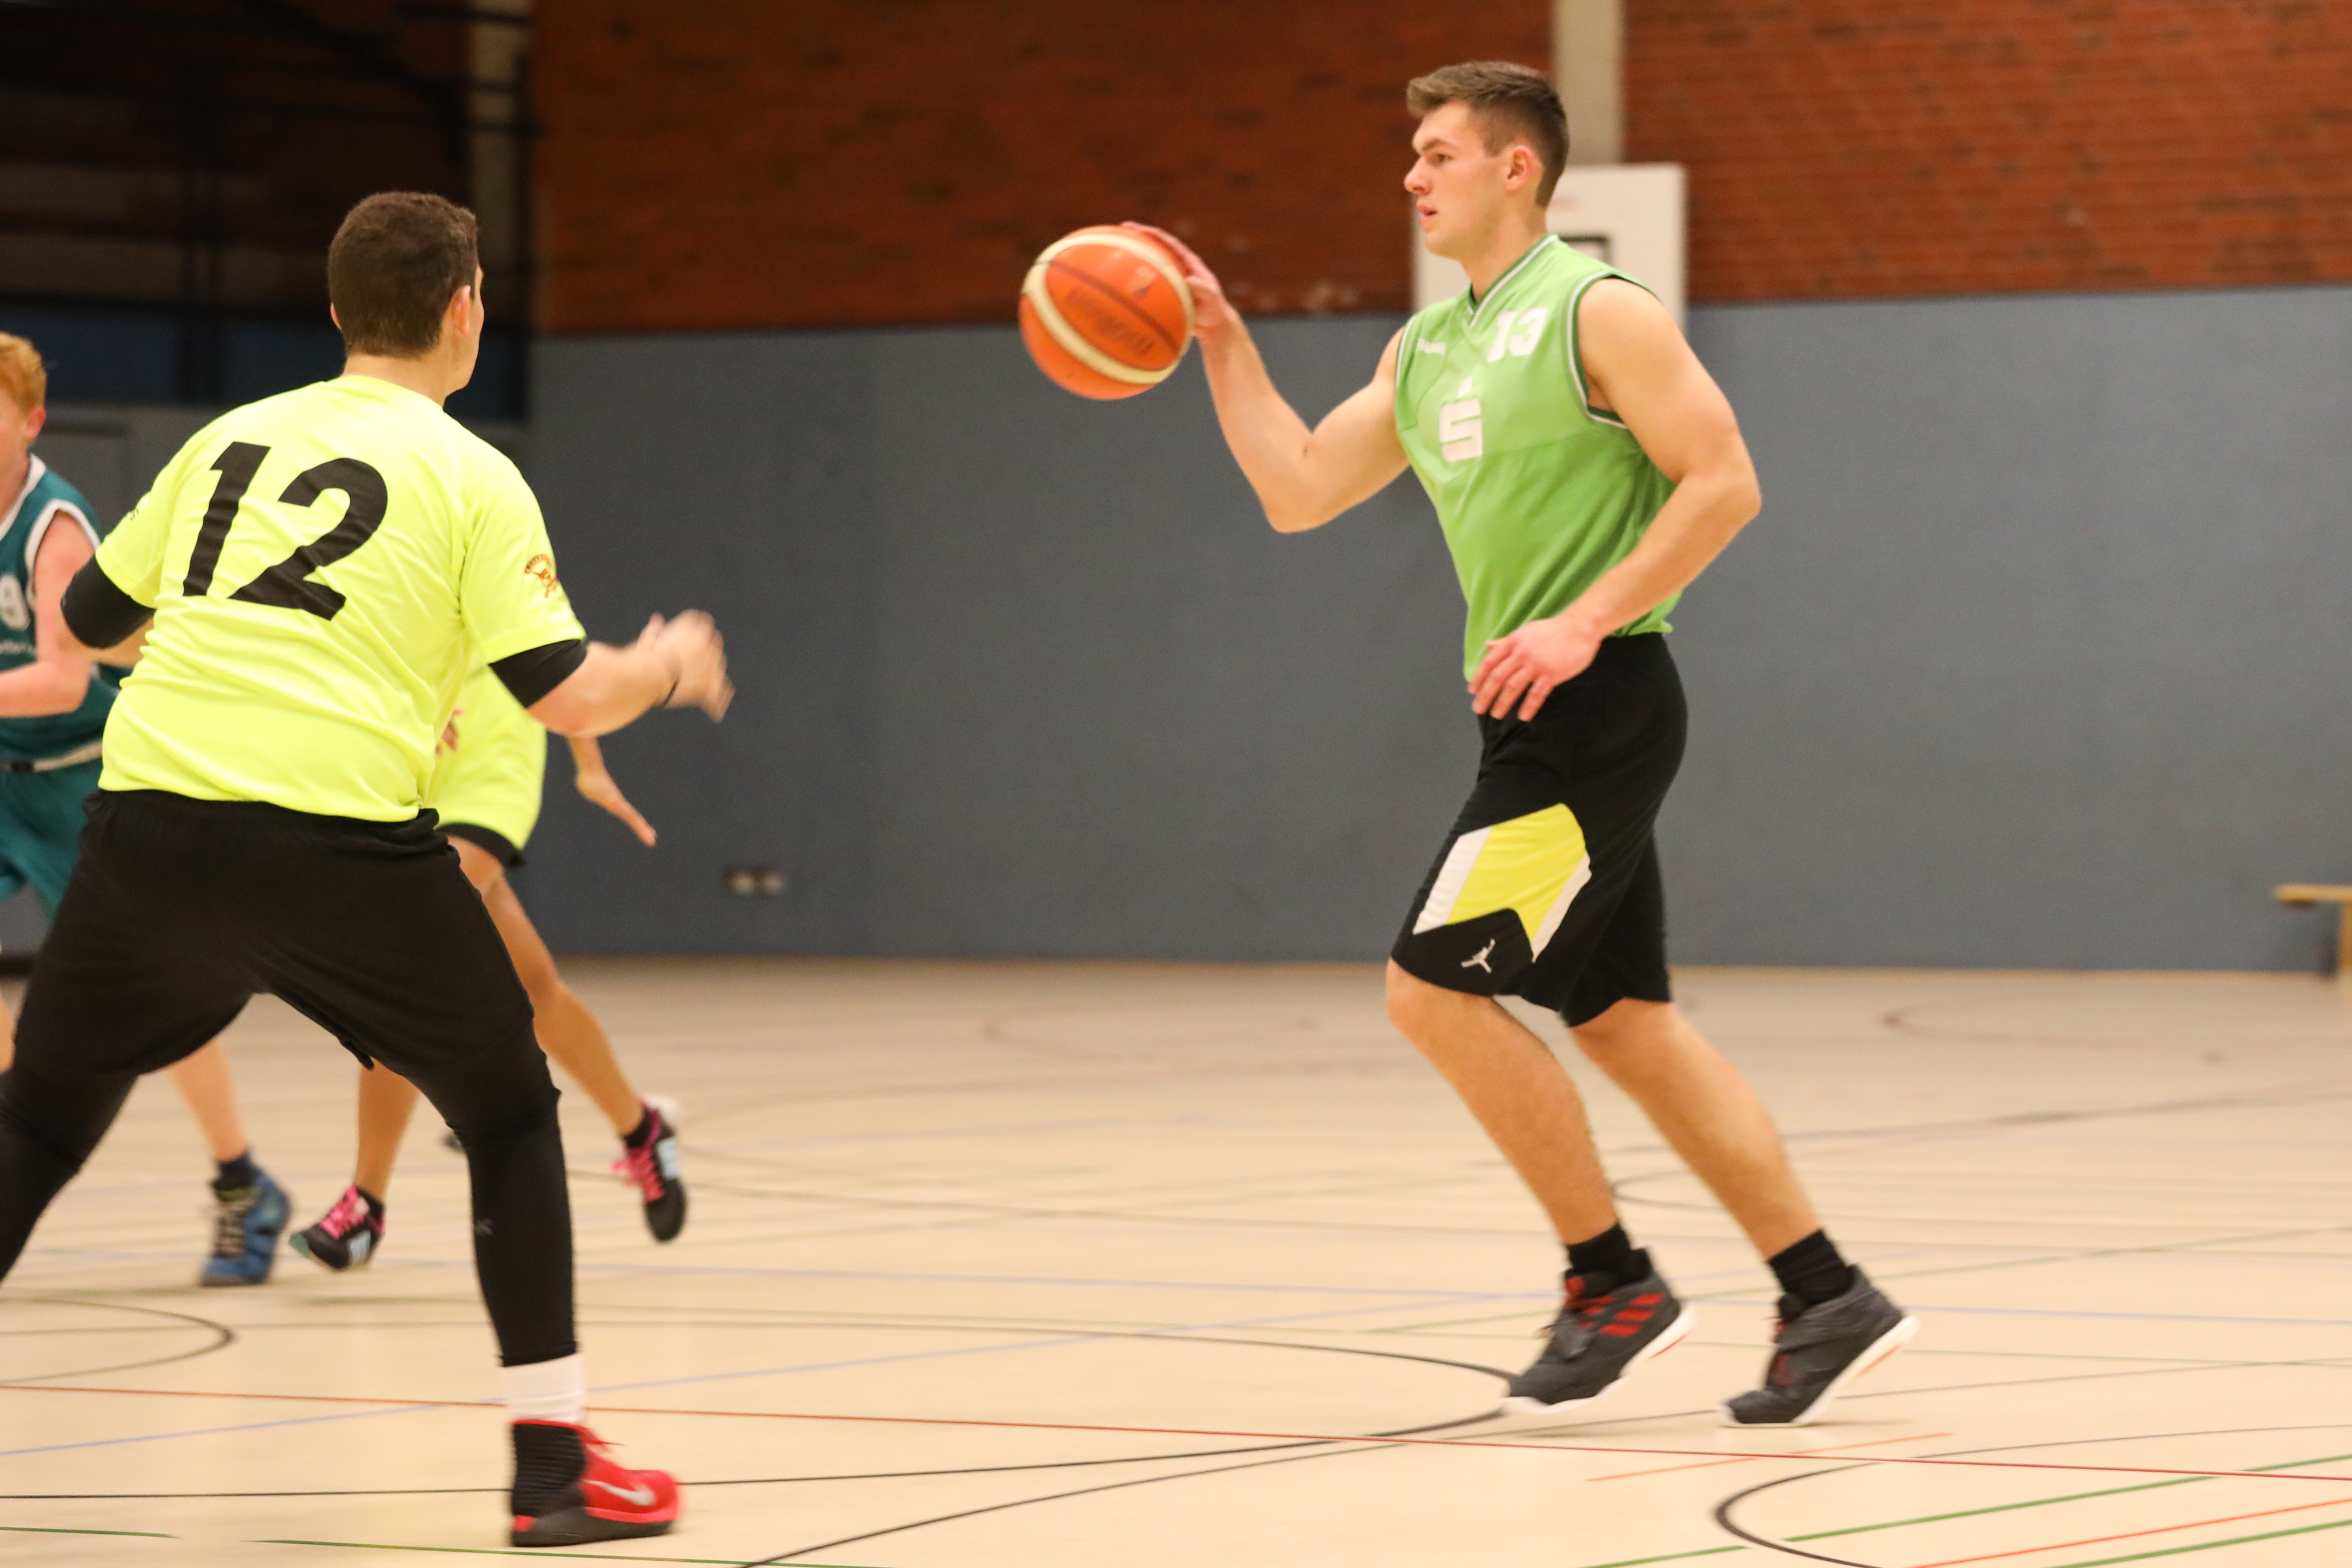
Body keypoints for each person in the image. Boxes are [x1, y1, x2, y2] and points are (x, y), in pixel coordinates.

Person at [1134, 61, 1915, 1428]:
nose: (1410, 176)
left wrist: (1580, 620)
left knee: (1429, 993)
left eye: (1436, 153)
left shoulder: (1598, 310)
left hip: (1595, 702)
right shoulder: (1424, 348)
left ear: (1515, 167)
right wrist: (1221, 340)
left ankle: (1609, 1283)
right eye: (1411, 155)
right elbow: (1297, 489)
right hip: (1534, 711)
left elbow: (1724, 481)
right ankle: (1826, 1293)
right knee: (1625, 1025)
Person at [0, 191, 730, 1546]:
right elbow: (567, 693)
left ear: (337, 314)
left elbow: (94, 624)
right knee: (507, 1115)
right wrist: (669, 665)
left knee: (36, 1128)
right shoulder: (473, 473)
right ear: (465, 311)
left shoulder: (227, 438)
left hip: (149, 828)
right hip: (333, 844)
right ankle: (553, 1474)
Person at [0, 333, 291, 1287]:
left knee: (152, 999)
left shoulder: (54, 529)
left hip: (80, 779)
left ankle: (242, 1181)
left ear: (31, 422)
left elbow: (61, 677)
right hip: (4, 771)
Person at [293, 668, 685, 1270]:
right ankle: (642, 1128)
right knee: (538, 993)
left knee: (402, 965)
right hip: (421, 769)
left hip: (494, 773)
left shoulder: (518, 596)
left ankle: (365, 1205)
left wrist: (589, 763)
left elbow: (558, 660)